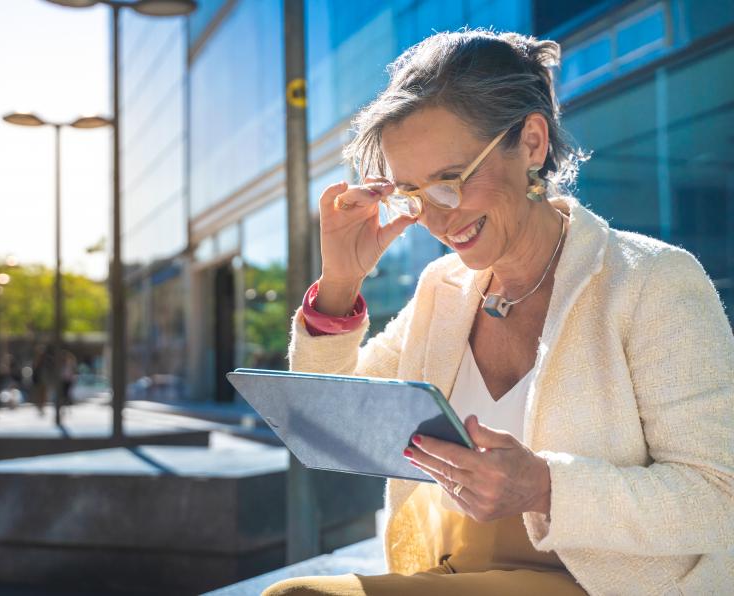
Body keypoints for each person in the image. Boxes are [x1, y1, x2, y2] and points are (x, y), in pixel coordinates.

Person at [264, 29, 734, 595]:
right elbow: (330, 424)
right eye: (411, 194)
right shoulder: (443, 290)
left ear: (532, 143)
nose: (438, 220)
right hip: (454, 571)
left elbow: (718, 494)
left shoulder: (650, 281)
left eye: (451, 180)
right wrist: (341, 282)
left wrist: (544, 487)